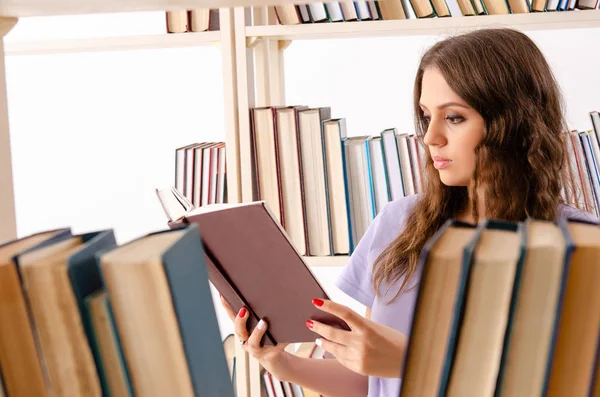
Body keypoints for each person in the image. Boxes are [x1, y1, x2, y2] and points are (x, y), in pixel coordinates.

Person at [220, 27, 598, 397]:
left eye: (453, 117)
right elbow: (373, 383)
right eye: (426, 116)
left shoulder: (581, 247)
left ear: (511, 124)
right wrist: (281, 364)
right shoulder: (399, 223)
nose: (431, 136)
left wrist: (414, 361)